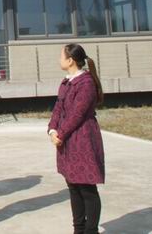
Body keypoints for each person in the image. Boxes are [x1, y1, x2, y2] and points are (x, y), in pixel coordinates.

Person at [48, 44, 105, 234]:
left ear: (70, 60)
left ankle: (91, 230)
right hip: (67, 140)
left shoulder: (85, 83)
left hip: (83, 138)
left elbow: (77, 114)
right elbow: (58, 108)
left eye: (61, 56)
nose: (59, 59)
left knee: (87, 187)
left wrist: (61, 133)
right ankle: (78, 229)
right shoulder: (66, 82)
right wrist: (52, 130)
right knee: (73, 185)